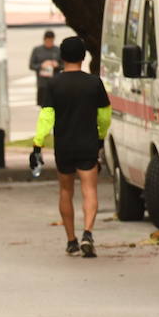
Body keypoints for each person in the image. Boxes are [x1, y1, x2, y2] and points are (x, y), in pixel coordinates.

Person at [30, 36, 110, 258]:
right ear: (84, 57)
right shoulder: (94, 83)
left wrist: (38, 145)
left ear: (61, 57)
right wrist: (100, 138)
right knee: (89, 190)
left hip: (64, 145)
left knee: (66, 191)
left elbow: (46, 116)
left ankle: (71, 240)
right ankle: (88, 233)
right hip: (87, 144)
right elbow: (105, 116)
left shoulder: (54, 84)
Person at [29, 29, 62, 107]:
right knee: (43, 106)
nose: (50, 43)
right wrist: (41, 65)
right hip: (42, 84)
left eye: (51, 41)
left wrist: (57, 65)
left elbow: (63, 65)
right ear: (44, 39)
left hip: (55, 82)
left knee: (56, 105)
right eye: (48, 41)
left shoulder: (57, 50)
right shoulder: (37, 50)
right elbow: (31, 65)